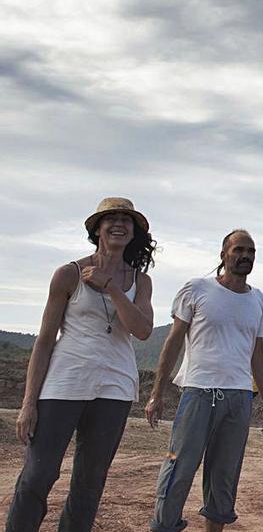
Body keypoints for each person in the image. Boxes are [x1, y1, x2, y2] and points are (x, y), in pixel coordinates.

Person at [7, 198, 156, 531]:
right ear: (97, 229)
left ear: (134, 232)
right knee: (39, 474)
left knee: (90, 482)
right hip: (64, 383)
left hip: (114, 388)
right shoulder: (68, 274)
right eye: (111, 219)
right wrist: (28, 403)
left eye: (126, 220)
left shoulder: (140, 281)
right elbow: (44, 341)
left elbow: (143, 330)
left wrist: (112, 287)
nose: (119, 224)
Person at [145, 229, 263, 532]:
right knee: (179, 467)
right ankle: (164, 526)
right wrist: (157, 392)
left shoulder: (259, 301)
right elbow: (174, 342)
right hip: (199, 392)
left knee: (225, 475)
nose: (245, 256)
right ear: (223, 254)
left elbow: (258, 354)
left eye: (251, 251)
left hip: (240, 397)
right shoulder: (197, 289)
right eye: (239, 250)